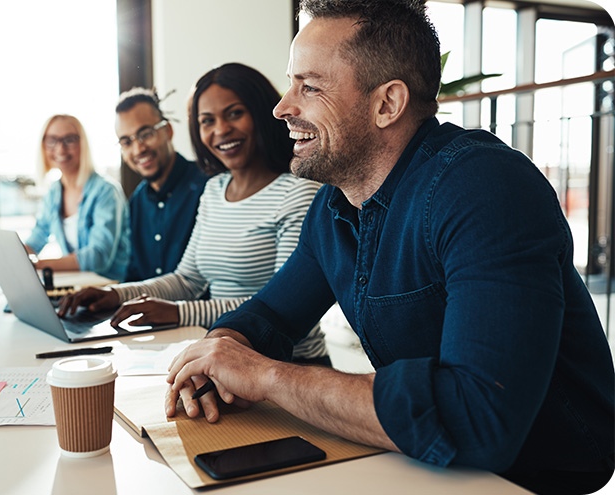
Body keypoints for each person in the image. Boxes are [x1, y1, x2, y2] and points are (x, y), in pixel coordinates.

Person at [164, 2, 615, 494]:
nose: (282, 107)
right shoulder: (335, 205)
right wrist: (219, 354)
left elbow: (480, 417)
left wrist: (266, 377)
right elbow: (270, 314)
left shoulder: (484, 187)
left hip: (531, 480)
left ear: (387, 104)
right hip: (420, 465)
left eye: (309, 87)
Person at [60, 63, 329, 366]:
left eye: (234, 113)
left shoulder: (298, 193)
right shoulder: (214, 190)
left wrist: (178, 313)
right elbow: (188, 279)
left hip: (289, 366)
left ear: (261, 113)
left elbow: (282, 305)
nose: (220, 130)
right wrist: (115, 294)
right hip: (225, 356)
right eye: (207, 120)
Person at [0, 114, 130, 281]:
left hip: (109, 289)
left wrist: (32, 265)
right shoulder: (54, 193)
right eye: (52, 140)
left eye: (69, 139)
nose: (60, 149)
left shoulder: (106, 191)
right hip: (77, 285)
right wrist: (4, 258)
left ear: (83, 144)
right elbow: (37, 238)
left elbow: (98, 257)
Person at [115, 87, 208, 282]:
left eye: (146, 134)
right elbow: (134, 275)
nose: (138, 149)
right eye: (126, 142)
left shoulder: (208, 187)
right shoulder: (136, 203)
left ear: (167, 131)